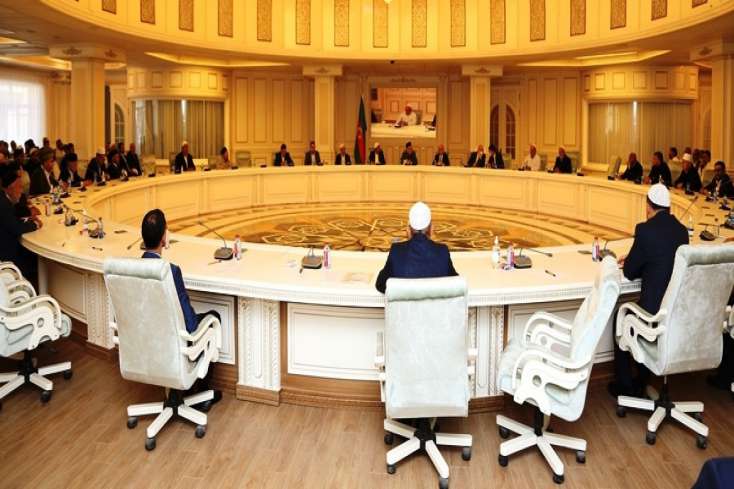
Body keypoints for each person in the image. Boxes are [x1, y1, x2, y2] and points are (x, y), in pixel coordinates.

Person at [609, 184, 689, 398]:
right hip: (674, 313)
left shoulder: (644, 230)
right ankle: (642, 379)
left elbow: (629, 271)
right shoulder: (682, 231)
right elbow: (664, 258)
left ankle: (625, 385)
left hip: (653, 314)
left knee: (620, 316)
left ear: (648, 207)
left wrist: (635, 258)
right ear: (669, 207)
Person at [140, 209, 222, 407]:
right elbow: (190, 323)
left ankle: (178, 392)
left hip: (147, 342)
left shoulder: (132, 269)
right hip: (173, 341)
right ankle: (201, 394)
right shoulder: (170, 271)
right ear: (164, 237)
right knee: (212, 317)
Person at [375, 201, 458, 294]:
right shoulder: (442, 251)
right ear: (431, 228)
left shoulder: (396, 251)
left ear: (409, 228)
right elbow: (456, 284)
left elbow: (380, 284)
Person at [0, 164, 42, 281]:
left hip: (8, 249)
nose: (22, 191)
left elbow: (11, 221)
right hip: (8, 257)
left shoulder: (4, 199)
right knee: (37, 258)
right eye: (19, 187)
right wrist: (35, 224)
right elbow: (16, 228)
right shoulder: (3, 204)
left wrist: (27, 220)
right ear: (10, 188)